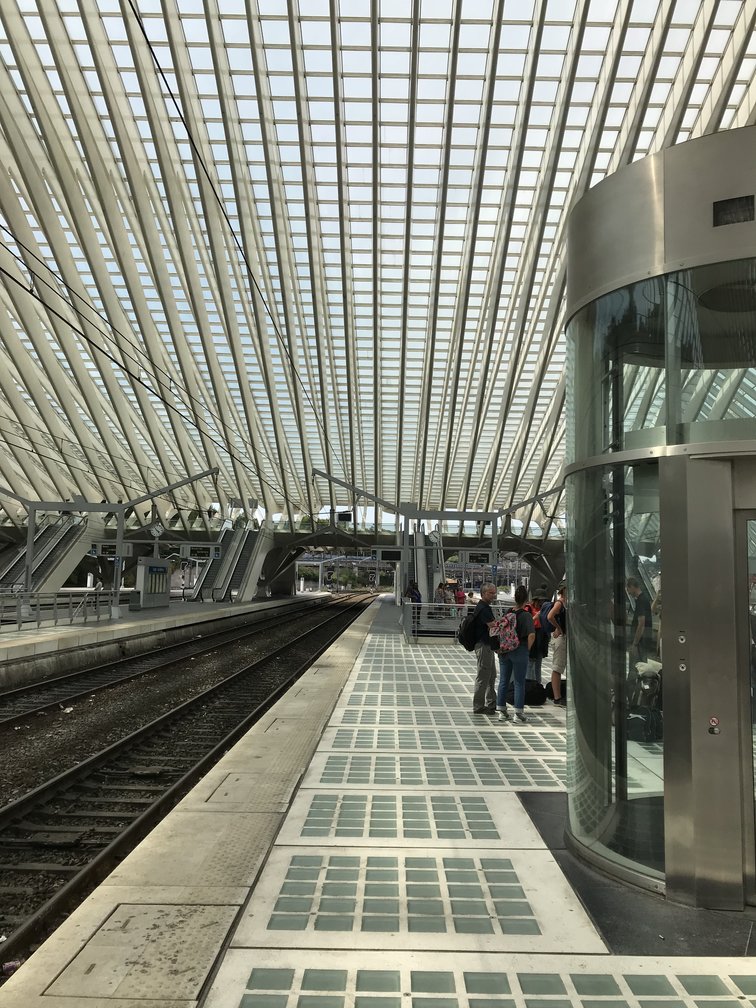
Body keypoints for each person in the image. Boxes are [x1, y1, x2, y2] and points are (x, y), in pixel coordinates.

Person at [497, 585, 535, 724]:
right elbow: (531, 635)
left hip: (505, 651)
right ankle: (518, 714)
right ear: (526, 599)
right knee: (519, 682)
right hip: (520, 650)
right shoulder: (526, 615)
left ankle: (502, 711)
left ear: (515, 598)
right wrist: (527, 650)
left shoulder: (508, 612)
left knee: (503, 681)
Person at [471, 582, 499, 715]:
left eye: (494, 593)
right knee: (483, 675)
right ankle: (478, 706)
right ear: (483, 593)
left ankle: (491, 702)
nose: (493, 595)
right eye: (490, 593)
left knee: (491, 675)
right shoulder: (483, 608)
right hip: (483, 645)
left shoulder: (485, 607)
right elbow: (492, 625)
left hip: (487, 645)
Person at [548, 585, 567, 706]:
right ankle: (557, 697)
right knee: (558, 667)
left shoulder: (567, 602)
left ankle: (559, 695)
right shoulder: (560, 603)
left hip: (565, 637)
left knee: (559, 666)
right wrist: (559, 628)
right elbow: (550, 616)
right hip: (561, 638)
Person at [626, 576, 653, 664]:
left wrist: (634, 644)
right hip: (643, 641)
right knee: (641, 664)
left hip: (640, 643)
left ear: (632, 586)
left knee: (638, 665)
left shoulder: (641, 601)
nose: (629, 593)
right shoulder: (643, 598)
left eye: (628, 589)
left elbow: (641, 624)